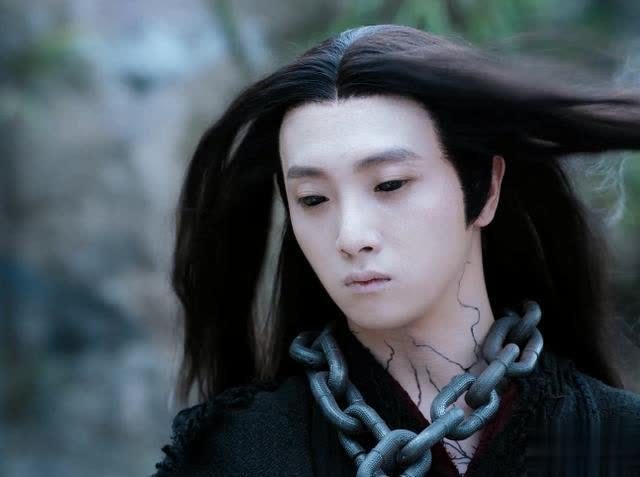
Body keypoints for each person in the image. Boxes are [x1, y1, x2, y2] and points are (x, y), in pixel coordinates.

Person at [150, 24, 640, 476]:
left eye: (389, 185)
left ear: (486, 189)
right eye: (313, 199)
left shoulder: (619, 440)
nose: (350, 236)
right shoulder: (234, 454)